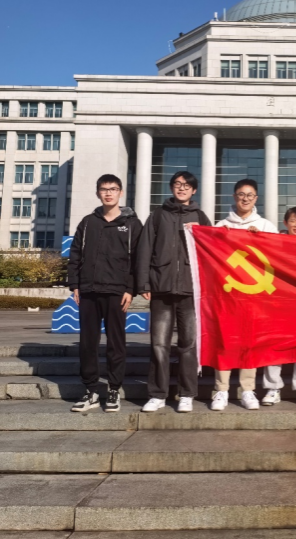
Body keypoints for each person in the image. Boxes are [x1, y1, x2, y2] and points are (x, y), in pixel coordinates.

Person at [136, 171, 212, 414]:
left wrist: (201, 232)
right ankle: (157, 394)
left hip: (190, 289)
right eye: (178, 184)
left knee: (188, 344)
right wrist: (143, 283)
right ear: (171, 188)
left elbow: (212, 250)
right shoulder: (158, 215)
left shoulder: (200, 216)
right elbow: (145, 248)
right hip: (162, 287)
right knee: (159, 344)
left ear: (194, 190)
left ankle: (187, 394)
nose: (182, 188)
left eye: (187, 185)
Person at [68, 174, 142, 413]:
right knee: (87, 343)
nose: (108, 193)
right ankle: (90, 390)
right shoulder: (88, 222)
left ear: (121, 192)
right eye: (104, 189)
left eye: (113, 189)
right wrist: (75, 284)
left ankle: (113, 389)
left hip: (117, 292)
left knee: (116, 343)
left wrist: (130, 289)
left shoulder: (132, 224)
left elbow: (138, 260)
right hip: (89, 291)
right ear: (97, 193)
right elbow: (75, 254)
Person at [211, 178, 279, 411]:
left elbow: (278, 256)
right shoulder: (221, 225)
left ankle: (248, 389)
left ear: (256, 198)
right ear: (234, 197)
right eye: (241, 194)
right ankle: (221, 390)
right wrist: (219, 237)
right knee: (225, 341)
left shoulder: (265, 226)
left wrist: (262, 240)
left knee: (249, 343)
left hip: (254, 296)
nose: (245, 199)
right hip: (227, 296)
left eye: (250, 195)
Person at [261, 207, 296, 407]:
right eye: (293, 220)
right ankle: (273, 388)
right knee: (274, 344)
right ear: (285, 223)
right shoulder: (275, 242)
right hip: (279, 302)